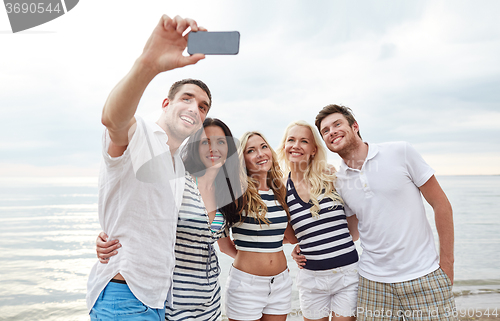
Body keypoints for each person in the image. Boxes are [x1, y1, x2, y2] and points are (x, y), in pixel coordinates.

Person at [86, 14, 211, 321]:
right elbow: (112, 119)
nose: (195, 108)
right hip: (123, 297)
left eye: (203, 106)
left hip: (157, 300)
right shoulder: (139, 134)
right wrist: (149, 65)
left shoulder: (179, 167)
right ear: (167, 104)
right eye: (187, 98)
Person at [313, 104, 456, 321]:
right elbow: (352, 233)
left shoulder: (401, 152)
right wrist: (305, 246)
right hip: (372, 284)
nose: (331, 131)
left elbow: (441, 204)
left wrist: (447, 264)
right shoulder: (339, 182)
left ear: (354, 126)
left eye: (337, 124)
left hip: (424, 275)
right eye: (325, 130)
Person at [96, 118, 244, 320]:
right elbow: (138, 213)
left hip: (210, 299)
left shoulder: (224, 194)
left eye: (220, 141)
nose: (213, 148)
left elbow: (224, 245)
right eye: (204, 142)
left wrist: (262, 263)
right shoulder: (178, 183)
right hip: (174, 301)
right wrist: (106, 238)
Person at [277, 120, 360, 321]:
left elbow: (354, 225)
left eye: (304, 141)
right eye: (291, 140)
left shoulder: (331, 177)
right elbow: (290, 234)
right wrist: (298, 247)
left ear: (313, 149)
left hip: (347, 274)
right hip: (311, 279)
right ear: (284, 146)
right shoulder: (281, 190)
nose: (296, 145)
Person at [220, 131, 298, 321]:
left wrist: (295, 249)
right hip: (246, 285)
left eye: (264, 147)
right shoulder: (236, 194)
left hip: (280, 282)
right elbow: (223, 245)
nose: (261, 154)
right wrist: (252, 260)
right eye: (251, 151)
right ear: (242, 160)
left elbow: (290, 237)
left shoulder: (280, 192)